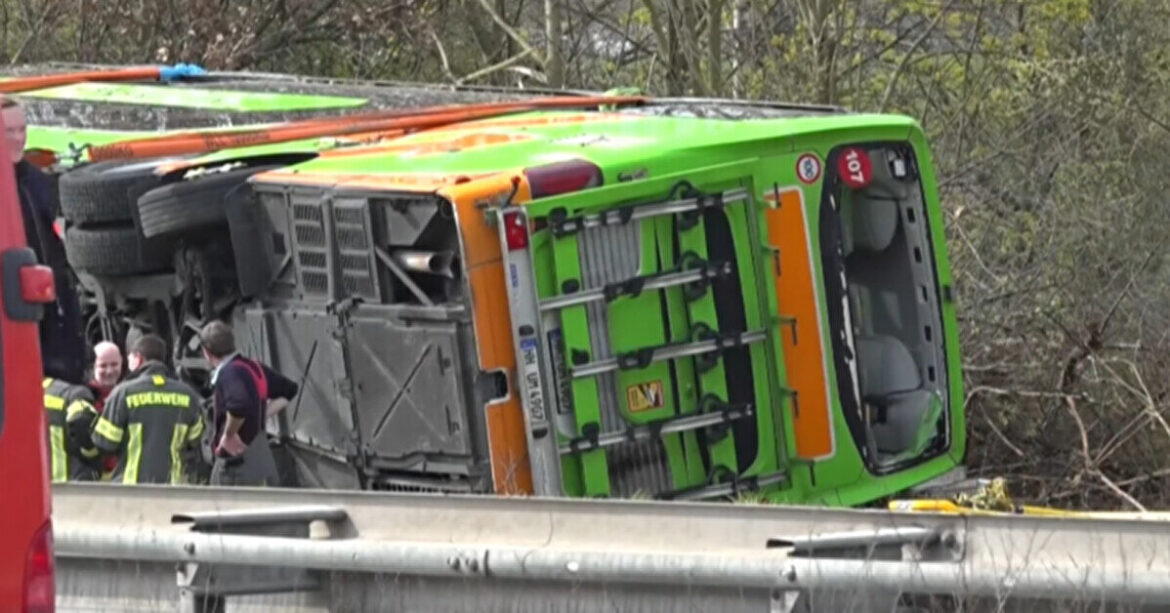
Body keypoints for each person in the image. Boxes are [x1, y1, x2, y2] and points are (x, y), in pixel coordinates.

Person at [5, 96, 86, 383]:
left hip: (48, 302)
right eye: (9, 131)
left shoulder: (38, 183)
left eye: (22, 129)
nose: (19, 138)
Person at [91, 335, 204, 485]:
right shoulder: (187, 395)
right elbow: (195, 438)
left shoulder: (123, 392)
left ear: (138, 359)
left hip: (131, 486)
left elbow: (106, 442)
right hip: (172, 486)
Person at [200, 320, 298, 486]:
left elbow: (239, 405)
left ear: (207, 352)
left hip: (237, 467)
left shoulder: (229, 374)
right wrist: (260, 415)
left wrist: (229, 435)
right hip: (263, 460)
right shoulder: (253, 367)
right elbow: (289, 390)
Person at [42, 376, 102, 482]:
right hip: (68, 484)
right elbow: (82, 423)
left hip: (30, 486)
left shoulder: (13, 398)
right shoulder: (69, 394)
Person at [86, 340, 123, 479]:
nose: (109, 371)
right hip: (91, 475)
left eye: (114, 364)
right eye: (103, 366)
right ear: (93, 367)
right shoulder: (84, 397)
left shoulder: (128, 395)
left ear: (122, 363)